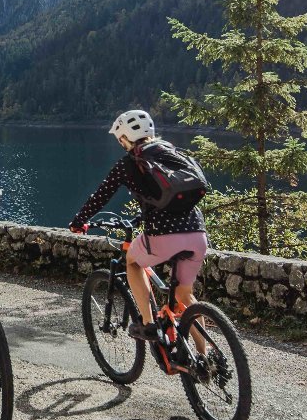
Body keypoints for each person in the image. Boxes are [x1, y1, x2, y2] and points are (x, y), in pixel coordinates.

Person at [69, 109, 209, 359]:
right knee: (184, 295)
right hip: (197, 234)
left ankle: (148, 323)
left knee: (132, 262)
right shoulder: (172, 151)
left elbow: (101, 196)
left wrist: (79, 221)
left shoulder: (130, 163)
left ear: (125, 138)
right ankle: (204, 355)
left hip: (163, 236)